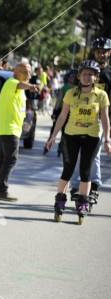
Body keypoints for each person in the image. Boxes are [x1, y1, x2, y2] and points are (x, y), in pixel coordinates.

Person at [45, 60, 110, 224]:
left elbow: (104, 118)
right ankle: (59, 201)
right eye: (85, 74)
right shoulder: (71, 93)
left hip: (92, 136)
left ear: (96, 77)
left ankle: (82, 203)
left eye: (91, 74)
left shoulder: (101, 95)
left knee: (85, 171)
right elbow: (62, 116)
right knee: (68, 169)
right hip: (71, 135)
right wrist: (53, 136)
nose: (88, 77)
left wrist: (108, 139)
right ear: (79, 76)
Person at [70, 37, 111, 205]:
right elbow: (72, 92)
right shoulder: (86, 68)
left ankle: (93, 185)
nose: (101, 54)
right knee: (77, 153)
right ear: (94, 52)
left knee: (93, 154)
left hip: (99, 118)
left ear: (109, 53)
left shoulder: (109, 74)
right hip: (79, 116)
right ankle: (76, 185)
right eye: (98, 51)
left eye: (104, 51)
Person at [0, 63, 39, 201]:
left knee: (2, 158)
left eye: (30, 72)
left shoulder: (18, 86)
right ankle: (2, 189)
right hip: (8, 128)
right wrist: (31, 86)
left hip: (9, 128)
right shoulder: (12, 82)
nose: (29, 75)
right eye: (25, 71)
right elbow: (20, 85)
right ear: (16, 72)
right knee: (11, 158)